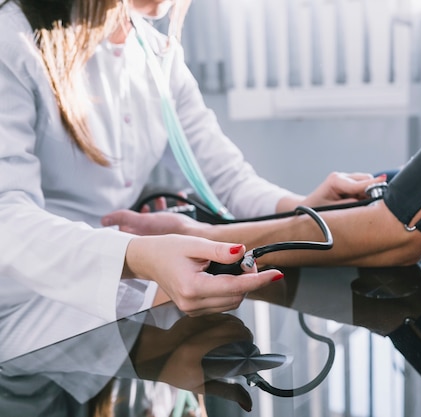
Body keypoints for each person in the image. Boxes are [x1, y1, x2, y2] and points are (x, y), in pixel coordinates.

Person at [104, 0, 421, 273]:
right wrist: (298, 212)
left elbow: (402, 230)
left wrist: (202, 241)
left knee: (388, 223)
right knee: (383, 189)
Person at [0, 0, 384, 346]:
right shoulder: (12, 40)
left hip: (121, 277)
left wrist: (300, 208)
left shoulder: (157, 55)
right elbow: (7, 218)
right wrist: (136, 256)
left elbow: (228, 179)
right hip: (22, 299)